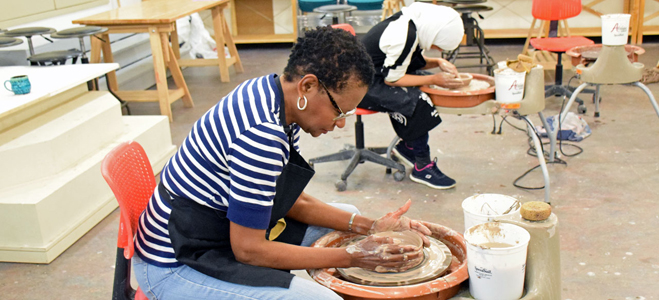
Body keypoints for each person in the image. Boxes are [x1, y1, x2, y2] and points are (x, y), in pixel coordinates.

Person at [132, 26, 432, 300]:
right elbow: (249, 250)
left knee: (350, 219)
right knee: (322, 299)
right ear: (308, 87)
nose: (340, 124)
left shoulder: (273, 96)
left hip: (216, 229)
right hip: (175, 261)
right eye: (340, 111)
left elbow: (291, 201)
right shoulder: (262, 136)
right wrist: (353, 257)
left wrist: (372, 226)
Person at [360, 2, 465, 190]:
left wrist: (438, 63)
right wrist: (436, 78)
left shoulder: (412, 23)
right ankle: (422, 166)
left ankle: (408, 147)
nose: (437, 49)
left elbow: (404, 62)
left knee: (424, 84)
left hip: (376, 74)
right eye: (438, 45)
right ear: (433, 33)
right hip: (359, 86)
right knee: (418, 100)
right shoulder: (404, 35)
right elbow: (393, 79)